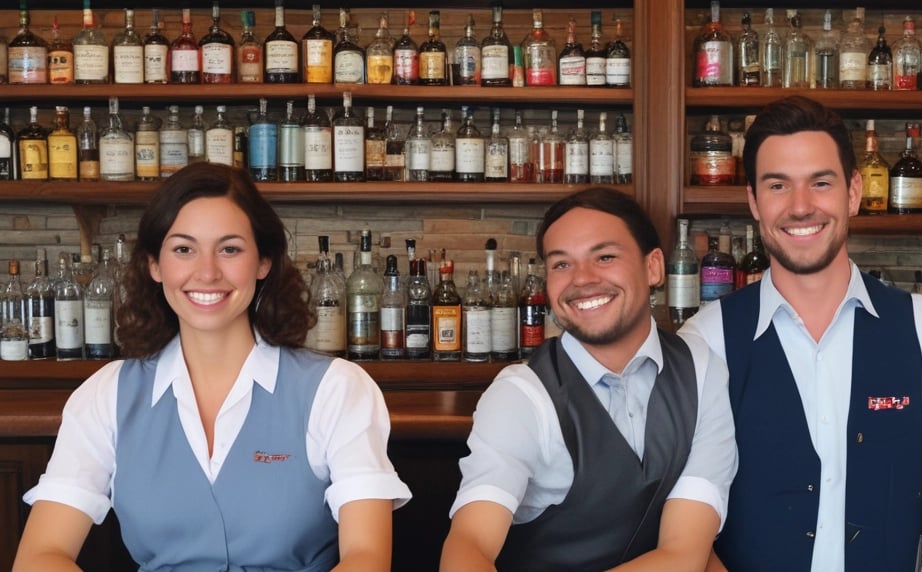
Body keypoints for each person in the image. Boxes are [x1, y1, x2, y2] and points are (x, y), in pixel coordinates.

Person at [681, 95, 922, 571]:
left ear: (853, 192)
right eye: (778, 185)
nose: (801, 206)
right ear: (754, 202)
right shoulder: (706, 341)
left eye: (821, 183)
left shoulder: (921, 326)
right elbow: (684, 518)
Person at [13, 162, 411, 572]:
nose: (207, 273)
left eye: (229, 249)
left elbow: (366, 558)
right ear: (154, 264)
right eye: (183, 249)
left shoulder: (337, 389)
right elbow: (40, 555)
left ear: (264, 261)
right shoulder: (107, 394)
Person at [440, 187, 736, 571]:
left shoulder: (700, 368)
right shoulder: (521, 395)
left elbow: (685, 552)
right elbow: (470, 543)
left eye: (605, 257)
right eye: (562, 264)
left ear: (653, 267)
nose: (581, 278)